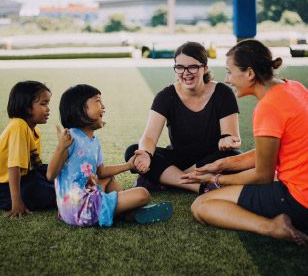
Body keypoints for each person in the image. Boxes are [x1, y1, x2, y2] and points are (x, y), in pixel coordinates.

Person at [181, 39, 308, 245]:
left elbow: (263, 176)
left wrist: (216, 179)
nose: (228, 80)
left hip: (299, 201)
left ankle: (273, 227)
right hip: (300, 188)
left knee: (201, 206)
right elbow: (268, 152)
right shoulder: (293, 87)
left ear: (250, 73)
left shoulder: (268, 107)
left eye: (230, 72)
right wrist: (223, 164)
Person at [47, 84, 172, 227]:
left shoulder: (94, 141)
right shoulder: (70, 138)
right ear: (80, 109)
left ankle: (125, 211)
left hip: (79, 204)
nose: (103, 106)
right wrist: (60, 148)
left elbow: (102, 172)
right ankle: (127, 212)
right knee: (143, 194)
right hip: (82, 208)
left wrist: (129, 165)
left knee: (108, 178)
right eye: (98, 101)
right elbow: (51, 175)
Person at [125, 41, 241, 193]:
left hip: (210, 160)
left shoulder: (223, 93)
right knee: (133, 151)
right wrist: (146, 154)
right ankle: (200, 186)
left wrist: (228, 140)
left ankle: (167, 179)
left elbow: (231, 136)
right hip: (178, 158)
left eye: (192, 67)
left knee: (233, 158)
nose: (186, 72)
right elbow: (149, 138)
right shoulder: (166, 96)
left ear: (205, 68)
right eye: (179, 67)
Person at [0, 81, 56, 217]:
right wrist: (17, 202)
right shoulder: (19, 125)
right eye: (43, 104)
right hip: (5, 185)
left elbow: (36, 166)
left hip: (26, 176)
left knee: (58, 172)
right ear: (27, 108)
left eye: (48, 103)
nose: (48, 109)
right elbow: (14, 166)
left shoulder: (34, 129)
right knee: (49, 194)